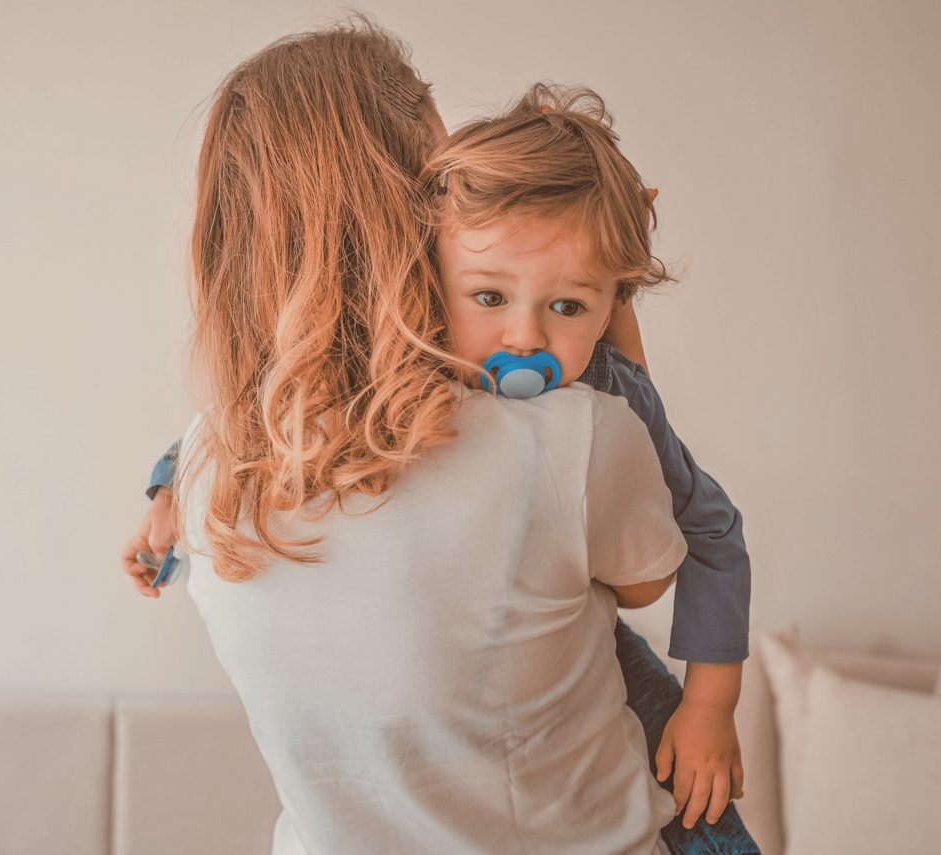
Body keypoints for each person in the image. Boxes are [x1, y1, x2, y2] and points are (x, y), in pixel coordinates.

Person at [121, 20, 757, 853]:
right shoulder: (570, 435)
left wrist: (168, 490)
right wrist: (612, 321)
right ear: (413, 209)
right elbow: (648, 579)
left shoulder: (211, 462)